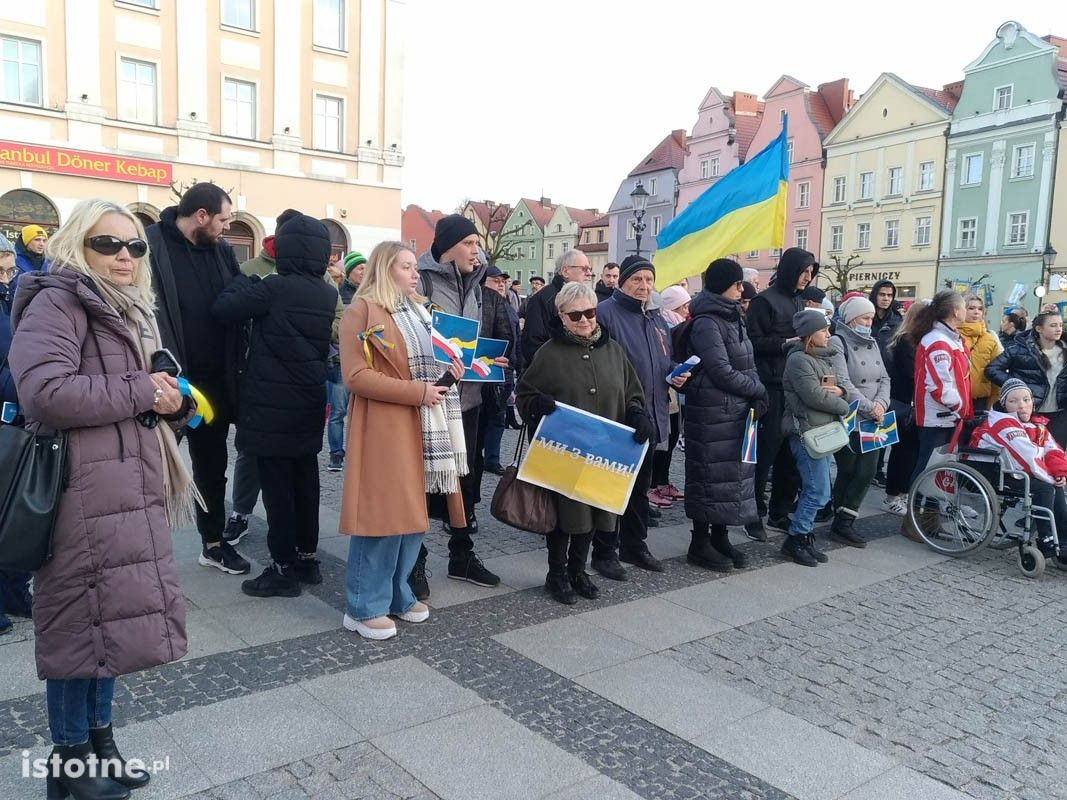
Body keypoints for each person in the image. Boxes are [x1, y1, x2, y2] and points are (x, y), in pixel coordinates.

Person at [9, 198, 197, 798]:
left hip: (125, 489)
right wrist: (144, 389)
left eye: (134, 246)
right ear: (75, 246)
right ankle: (69, 766)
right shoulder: (59, 301)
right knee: (75, 628)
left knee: (109, 623)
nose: (123, 256)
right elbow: (46, 393)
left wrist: (179, 402)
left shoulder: (133, 309)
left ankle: (102, 747)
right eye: (107, 244)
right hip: (78, 494)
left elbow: (163, 388)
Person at [339, 241, 466, 639]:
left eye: (415, 266)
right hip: (386, 424)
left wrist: (452, 372)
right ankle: (363, 606)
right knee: (383, 516)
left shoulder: (421, 312)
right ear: (384, 269)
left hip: (425, 422)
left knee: (413, 516)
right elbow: (355, 376)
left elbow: (426, 366)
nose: (415, 274)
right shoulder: (362, 309)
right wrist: (419, 392)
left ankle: (398, 594)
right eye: (407, 266)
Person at [211, 214, 339, 598]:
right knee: (306, 482)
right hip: (307, 402)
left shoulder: (274, 287)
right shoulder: (327, 292)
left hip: (270, 405)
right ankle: (307, 558)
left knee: (278, 487)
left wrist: (247, 279)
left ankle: (282, 568)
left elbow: (223, 309)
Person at [517, 282, 647, 603]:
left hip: (603, 452)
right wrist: (537, 405)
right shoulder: (548, 354)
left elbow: (631, 391)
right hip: (566, 452)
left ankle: (579, 570)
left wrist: (636, 413)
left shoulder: (613, 351)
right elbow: (525, 394)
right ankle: (557, 574)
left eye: (590, 312)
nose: (585, 320)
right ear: (561, 316)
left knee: (592, 511)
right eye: (575, 315)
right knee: (564, 517)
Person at [146, 182, 251, 575]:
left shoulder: (223, 252)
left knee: (212, 465)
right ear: (202, 215)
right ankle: (142, 547)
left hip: (214, 382)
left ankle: (213, 543)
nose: (227, 227)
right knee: (148, 465)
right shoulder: (150, 244)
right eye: (223, 219)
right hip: (167, 380)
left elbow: (237, 293)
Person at [411, 215, 502, 595]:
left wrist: (488, 361)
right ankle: (414, 563)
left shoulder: (478, 286)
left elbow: (468, 342)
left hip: (468, 400)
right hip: (431, 399)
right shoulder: (423, 280)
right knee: (423, 482)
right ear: (448, 245)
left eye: (477, 244)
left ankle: (461, 554)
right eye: (468, 243)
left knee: (463, 481)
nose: (475, 251)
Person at [595, 255, 689, 576]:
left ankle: (635, 545)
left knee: (640, 488)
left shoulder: (656, 317)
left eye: (649, 280)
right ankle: (605, 549)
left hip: (653, 414)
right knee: (612, 487)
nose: (644, 286)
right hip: (619, 417)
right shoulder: (605, 313)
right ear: (623, 281)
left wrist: (675, 372)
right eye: (637, 280)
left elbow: (662, 360)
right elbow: (601, 368)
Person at [680, 259, 767, 572]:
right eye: (736, 284)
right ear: (722, 286)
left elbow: (748, 361)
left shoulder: (734, 315)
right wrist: (756, 389)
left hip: (735, 409)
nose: (741, 289)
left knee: (730, 476)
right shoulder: (707, 321)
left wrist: (756, 390)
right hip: (711, 410)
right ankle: (699, 541)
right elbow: (721, 371)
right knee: (708, 475)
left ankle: (720, 535)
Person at [746, 247, 818, 540]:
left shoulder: (800, 300)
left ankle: (780, 510)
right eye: (803, 272)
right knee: (764, 455)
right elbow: (753, 342)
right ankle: (753, 514)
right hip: (770, 387)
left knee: (791, 456)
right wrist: (785, 343)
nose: (807, 278)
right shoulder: (764, 302)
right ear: (791, 270)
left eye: (811, 273)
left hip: (794, 387)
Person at [969, 379, 1067, 565]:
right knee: (1046, 487)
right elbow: (1029, 457)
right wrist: (1051, 476)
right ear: (1004, 404)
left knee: (1056, 486)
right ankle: (1046, 539)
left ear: (1033, 401)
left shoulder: (1036, 425)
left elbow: (1052, 449)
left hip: (1016, 470)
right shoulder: (1003, 423)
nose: (1022, 405)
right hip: (993, 472)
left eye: (1026, 399)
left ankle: (1063, 538)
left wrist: (1059, 472)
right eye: (1014, 401)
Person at [781, 310, 850, 566]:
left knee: (819, 489)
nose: (828, 335)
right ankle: (795, 538)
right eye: (823, 331)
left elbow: (840, 386)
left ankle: (804, 535)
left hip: (822, 430)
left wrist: (841, 392)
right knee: (817, 491)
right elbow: (813, 396)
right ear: (810, 334)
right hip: (807, 431)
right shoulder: (799, 360)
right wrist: (843, 404)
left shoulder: (822, 357)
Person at [826, 296, 891, 547]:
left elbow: (884, 378)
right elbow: (843, 381)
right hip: (851, 415)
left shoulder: (873, 342)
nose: (869, 323)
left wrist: (881, 405)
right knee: (849, 468)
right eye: (865, 318)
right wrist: (868, 406)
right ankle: (839, 519)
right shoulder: (837, 341)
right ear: (852, 319)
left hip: (875, 417)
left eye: (871, 318)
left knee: (867, 471)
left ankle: (846, 519)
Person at [0, 235, 32, 637]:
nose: (6, 278)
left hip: (16, 421)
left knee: (17, 514)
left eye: (9, 270)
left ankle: (13, 589)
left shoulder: (13, 297)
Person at [910, 290, 971, 482]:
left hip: (948, 414)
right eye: (964, 307)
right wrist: (959, 406)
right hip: (937, 415)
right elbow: (939, 385)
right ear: (955, 311)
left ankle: (931, 506)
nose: (966, 311)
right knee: (928, 465)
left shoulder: (951, 339)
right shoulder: (938, 341)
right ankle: (917, 505)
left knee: (941, 465)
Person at [987, 311, 1067, 445]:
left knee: (1056, 452)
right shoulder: (1020, 348)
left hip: (1060, 412)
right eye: (1053, 325)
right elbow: (992, 369)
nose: (1058, 329)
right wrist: (1017, 386)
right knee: (1031, 452)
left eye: (1060, 325)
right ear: (1039, 329)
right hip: (1029, 411)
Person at [882, 300, 927, 515]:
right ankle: (892, 495)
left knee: (912, 452)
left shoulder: (922, 340)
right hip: (903, 403)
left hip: (915, 404)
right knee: (901, 451)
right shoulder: (906, 341)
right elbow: (912, 374)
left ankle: (905, 490)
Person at [648, 284, 691, 507]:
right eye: (683, 306)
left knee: (670, 436)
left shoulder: (664, 323)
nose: (686, 311)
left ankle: (661, 481)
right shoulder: (663, 322)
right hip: (659, 390)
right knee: (660, 439)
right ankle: (652, 485)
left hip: (670, 388)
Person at [521, 249, 594, 364]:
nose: (589, 273)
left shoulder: (589, 299)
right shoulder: (543, 300)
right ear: (565, 271)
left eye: (590, 269)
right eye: (584, 269)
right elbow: (532, 345)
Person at [482, 265, 521, 473]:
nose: (501, 284)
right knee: (483, 418)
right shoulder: (481, 305)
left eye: (503, 281)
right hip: (485, 371)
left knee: (498, 418)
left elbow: (517, 340)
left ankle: (492, 459)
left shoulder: (508, 307)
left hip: (506, 372)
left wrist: (517, 366)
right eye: (495, 280)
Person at [959, 293, 1002, 413]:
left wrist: (993, 401)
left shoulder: (990, 338)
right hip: (956, 399)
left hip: (981, 400)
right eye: (971, 308)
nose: (976, 312)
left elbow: (996, 371)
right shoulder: (952, 335)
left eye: (980, 308)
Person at [869, 279, 903, 362]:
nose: (886, 299)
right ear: (874, 295)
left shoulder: (897, 321)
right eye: (882, 294)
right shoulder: (864, 318)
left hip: (889, 370)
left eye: (890, 295)